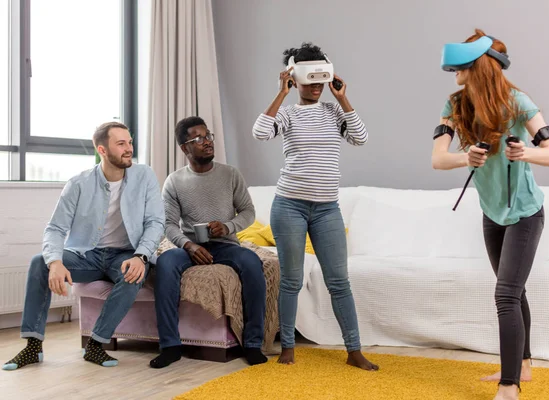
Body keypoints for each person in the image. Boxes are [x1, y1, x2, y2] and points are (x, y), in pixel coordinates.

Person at [432, 29, 549, 400]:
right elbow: (438, 159)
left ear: (478, 65)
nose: (454, 72)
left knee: (505, 294)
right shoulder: (455, 104)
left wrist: (526, 153)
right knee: (514, 290)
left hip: (525, 213)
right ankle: (522, 365)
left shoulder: (518, 102)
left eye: (460, 66)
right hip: (492, 213)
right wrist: (465, 157)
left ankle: (510, 387)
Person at [252, 42, 378, 371]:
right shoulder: (288, 114)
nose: (317, 86)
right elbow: (260, 132)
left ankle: (354, 350)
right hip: (289, 206)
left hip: (326, 209)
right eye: (309, 79)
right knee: (291, 280)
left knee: (339, 281)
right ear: (296, 79)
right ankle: (289, 348)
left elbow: (361, 138)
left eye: (321, 78)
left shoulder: (333, 111)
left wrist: (343, 98)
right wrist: (281, 93)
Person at [2, 121, 165, 370]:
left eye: (129, 142)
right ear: (102, 150)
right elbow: (55, 228)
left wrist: (141, 256)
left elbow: (155, 222)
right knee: (39, 263)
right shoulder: (78, 183)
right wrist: (55, 262)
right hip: (85, 255)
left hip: (124, 254)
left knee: (133, 274)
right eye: (120, 143)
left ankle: (96, 345)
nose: (128, 148)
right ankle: (33, 347)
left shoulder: (145, 176)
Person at [150, 116, 268, 368]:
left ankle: (253, 344)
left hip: (227, 245)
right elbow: (168, 224)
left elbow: (248, 212)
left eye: (208, 136)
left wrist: (227, 226)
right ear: (185, 148)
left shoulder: (230, 174)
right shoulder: (174, 181)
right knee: (165, 263)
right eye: (198, 138)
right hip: (189, 247)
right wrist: (188, 245)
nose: (207, 142)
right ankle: (170, 346)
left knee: (253, 263)